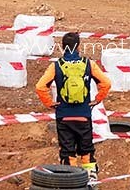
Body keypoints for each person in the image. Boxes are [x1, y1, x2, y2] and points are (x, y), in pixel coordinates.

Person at [36, 32, 112, 184]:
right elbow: (106, 83)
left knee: (67, 152)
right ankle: (91, 179)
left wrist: (50, 103)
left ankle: (70, 181)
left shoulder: (55, 66)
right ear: (78, 47)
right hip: (83, 115)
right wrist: (96, 100)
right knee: (86, 150)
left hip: (63, 116)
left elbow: (40, 86)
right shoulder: (89, 64)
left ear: (63, 47)